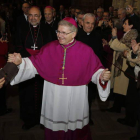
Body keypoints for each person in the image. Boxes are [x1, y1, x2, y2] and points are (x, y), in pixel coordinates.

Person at [9, 17, 111, 140]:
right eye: (58, 31)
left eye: (64, 33)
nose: (59, 35)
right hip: (54, 94)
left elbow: (95, 71)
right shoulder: (49, 48)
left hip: (75, 95)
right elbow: (34, 64)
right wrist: (21, 62)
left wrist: (102, 76)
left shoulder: (86, 51)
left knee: (75, 130)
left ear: (73, 34)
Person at [15, 6, 56, 130]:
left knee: (44, 93)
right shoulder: (21, 28)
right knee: (26, 93)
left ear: (40, 17)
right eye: (30, 15)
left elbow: (51, 47)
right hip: (25, 65)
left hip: (43, 67)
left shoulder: (47, 29)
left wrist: (39, 58)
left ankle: (43, 119)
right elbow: (17, 45)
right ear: (28, 16)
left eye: (36, 15)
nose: (33, 18)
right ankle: (29, 120)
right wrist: (29, 58)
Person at [109, 17, 138, 125]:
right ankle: (118, 107)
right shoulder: (127, 34)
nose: (123, 25)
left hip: (126, 66)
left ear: (131, 26)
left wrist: (114, 36)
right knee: (121, 90)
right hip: (121, 63)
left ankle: (128, 117)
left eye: (125, 23)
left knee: (127, 93)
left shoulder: (133, 35)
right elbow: (115, 45)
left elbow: (121, 47)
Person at [76, 13, 104, 125]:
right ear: (81, 22)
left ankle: (87, 117)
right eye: (87, 23)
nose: (90, 26)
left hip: (91, 73)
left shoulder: (97, 36)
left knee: (89, 97)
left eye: (92, 23)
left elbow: (99, 56)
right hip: (77, 72)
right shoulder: (75, 35)